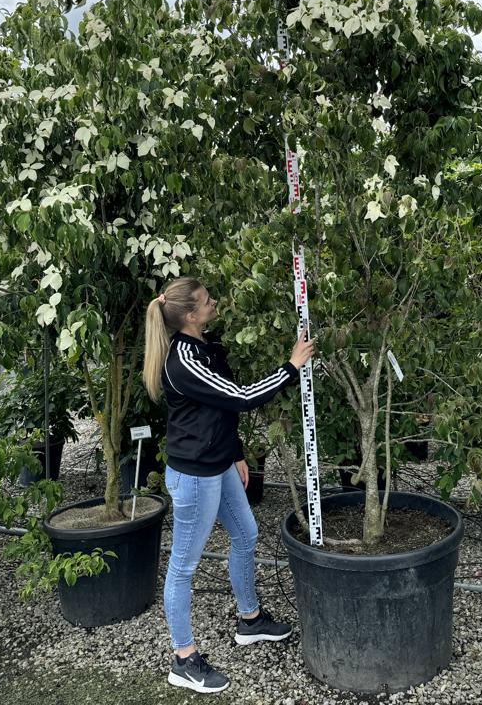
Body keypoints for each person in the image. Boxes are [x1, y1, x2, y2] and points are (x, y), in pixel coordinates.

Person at [143, 276, 314, 694]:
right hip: (195, 474)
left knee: (245, 534)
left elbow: (218, 410)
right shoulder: (182, 360)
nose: (214, 302)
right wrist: (291, 367)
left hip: (218, 462)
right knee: (183, 566)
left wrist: (236, 451)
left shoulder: (203, 345)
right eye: (206, 300)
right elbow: (239, 397)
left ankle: (250, 620)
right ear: (189, 314)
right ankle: (183, 659)